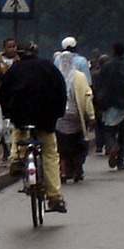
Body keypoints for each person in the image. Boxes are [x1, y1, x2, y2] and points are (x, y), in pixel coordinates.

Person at [0, 40, 68, 213]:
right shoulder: (49, 68)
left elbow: (3, 93)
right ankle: (54, 196)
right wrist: (58, 112)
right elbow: (61, 90)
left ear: (19, 54)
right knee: (50, 154)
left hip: (21, 116)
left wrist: (8, 113)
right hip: (46, 117)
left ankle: (16, 160)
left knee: (19, 133)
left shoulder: (14, 70)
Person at [53, 51, 95, 182]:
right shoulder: (80, 77)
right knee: (76, 144)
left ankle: (63, 170)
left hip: (59, 116)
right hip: (75, 116)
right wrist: (91, 115)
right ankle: (77, 170)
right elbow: (87, 96)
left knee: (61, 146)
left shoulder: (55, 76)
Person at [94, 42, 124, 170]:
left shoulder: (106, 66)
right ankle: (121, 161)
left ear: (113, 51)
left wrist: (98, 102)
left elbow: (99, 85)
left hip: (109, 104)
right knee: (123, 133)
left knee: (109, 131)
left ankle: (112, 146)